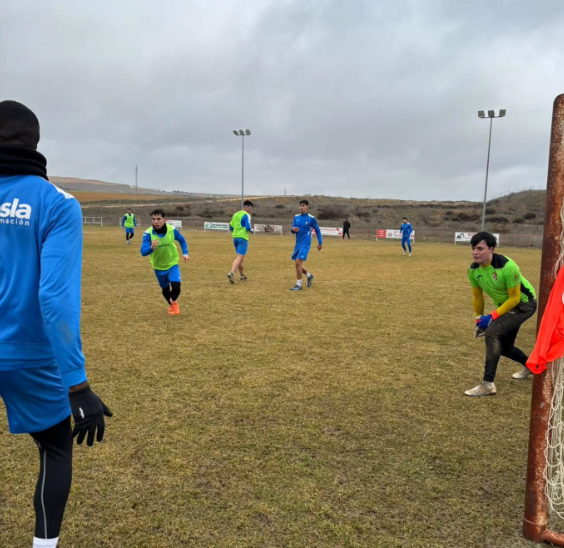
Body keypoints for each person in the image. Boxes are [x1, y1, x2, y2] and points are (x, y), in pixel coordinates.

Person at [0, 100, 112, 548]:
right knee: (55, 448)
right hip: (31, 356)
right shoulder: (58, 204)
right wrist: (78, 386)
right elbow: (54, 299)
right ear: (36, 142)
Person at [464, 231, 537, 396]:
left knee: (492, 333)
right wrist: (478, 319)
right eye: (473, 248)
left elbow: (515, 299)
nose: (475, 252)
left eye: (480, 248)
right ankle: (532, 366)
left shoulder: (508, 266)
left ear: (491, 249)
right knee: (504, 347)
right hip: (507, 306)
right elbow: (477, 296)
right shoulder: (474, 270)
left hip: (524, 304)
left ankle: (488, 384)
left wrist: (490, 318)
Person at [141, 209, 189, 315]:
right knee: (165, 289)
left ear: (164, 220)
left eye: (158, 219)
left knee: (176, 287)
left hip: (172, 263)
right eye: (154, 219)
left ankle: (173, 302)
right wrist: (151, 248)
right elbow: (143, 252)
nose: (156, 222)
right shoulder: (148, 233)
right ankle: (172, 304)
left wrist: (185, 253)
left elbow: (182, 240)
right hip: (158, 266)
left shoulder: (172, 230)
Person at [290, 199, 322, 291]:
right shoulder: (296, 217)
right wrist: (293, 229)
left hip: (306, 244)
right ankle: (309, 276)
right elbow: (292, 229)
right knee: (298, 264)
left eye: (303, 205)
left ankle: (298, 285)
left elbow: (318, 230)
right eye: (300, 205)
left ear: (307, 207)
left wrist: (320, 242)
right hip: (298, 244)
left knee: (298, 263)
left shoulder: (311, 218)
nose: (302, 207)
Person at [227, 200, 254, 283]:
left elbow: (231, 226)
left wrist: (236, 232)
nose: (251, 209)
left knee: (240, 258)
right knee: (239, 257)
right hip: (243, 238)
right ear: (247, 207)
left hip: (235, 238)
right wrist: (252, 230)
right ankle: (232, 273)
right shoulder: (246, 215)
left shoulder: (236, 214)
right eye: (251, 208)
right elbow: (248, 227)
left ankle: (242, 275)